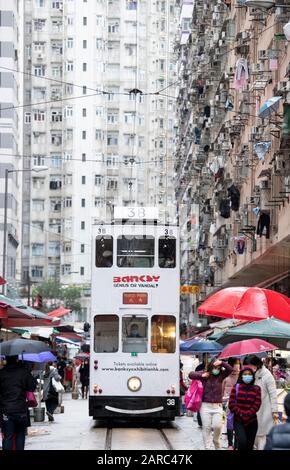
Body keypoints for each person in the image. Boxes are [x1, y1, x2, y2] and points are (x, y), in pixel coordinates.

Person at [189, 359, 233, 450]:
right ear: (210, 367)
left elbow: (230, 369)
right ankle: (207, 447)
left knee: (218, 426)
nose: (216, 369)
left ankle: (216, 440)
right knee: (206, 427)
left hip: (218, 406)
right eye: (214, 367)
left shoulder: (221, 376)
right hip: (205, 406)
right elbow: (191, 375)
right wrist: (201, 375)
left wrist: (222, 362)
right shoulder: (205, 375)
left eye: (218, 368)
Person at [0, 355, 37, 450]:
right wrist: (27, 370)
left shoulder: (2, 373)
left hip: (6, 410)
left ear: (6, 359)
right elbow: (32, 387)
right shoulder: (23, 372)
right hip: (21, 410)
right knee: (20, 435)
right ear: (17, 359)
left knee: (8, 436)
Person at [247, 355, 279, 450]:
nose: (250, 368)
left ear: (257, 365)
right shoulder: (251, 375)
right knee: (254, 436)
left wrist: (275, 411)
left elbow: (273, 395)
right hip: (252, 411)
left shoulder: (267, 375)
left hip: (265, 410)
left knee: (262, 437)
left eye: (251, 366)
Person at [228, 366, 261, 450]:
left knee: (249, 446)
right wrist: (242, 413)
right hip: (238, 421)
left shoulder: (257, 389)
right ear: (241, 376)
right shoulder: (236, 387)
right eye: (245, 374)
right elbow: (231, 404)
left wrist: (248, 414)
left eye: (249, 374)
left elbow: (257, 404)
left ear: (253, 376)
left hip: (252, 421)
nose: (247, 376)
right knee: (242, 442)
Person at [222, 357, 241, 450]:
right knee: (229, 423)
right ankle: (230, 444)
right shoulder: (226, 378)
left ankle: (237, 445)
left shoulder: (242, 376)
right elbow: (222, 392)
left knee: (238, 424)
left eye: (238, 364)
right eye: (235, 364)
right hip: (228, 404)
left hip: (240, 404)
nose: (237, 367)